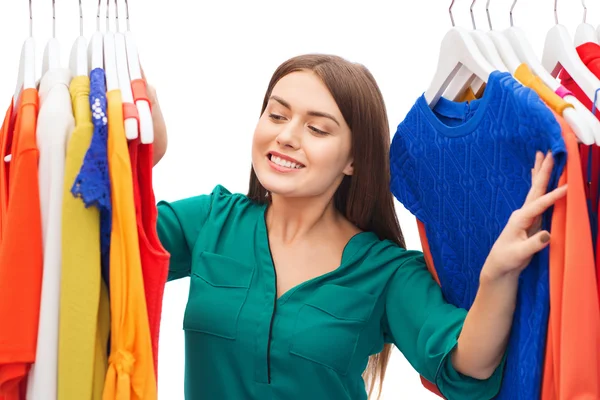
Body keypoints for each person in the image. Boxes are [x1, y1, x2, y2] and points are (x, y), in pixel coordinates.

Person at [147, 54, 566, 399]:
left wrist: (497, 274)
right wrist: (144, 157)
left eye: (317, 128)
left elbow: (469, 364)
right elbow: (109, 250)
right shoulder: (210, 220)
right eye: (276, 115)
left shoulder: (385, 271)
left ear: (353, 160)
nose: (287, 136)